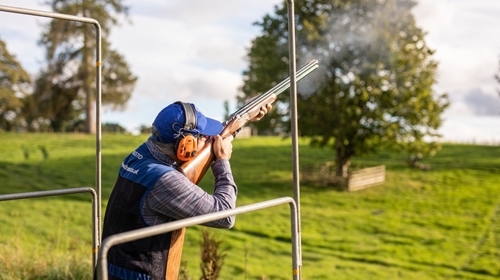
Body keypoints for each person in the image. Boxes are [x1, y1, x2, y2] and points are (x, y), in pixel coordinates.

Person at [100, 101, 270, 280]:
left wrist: (241, 122)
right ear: (185, 144)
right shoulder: (164, 180)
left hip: (109, 271)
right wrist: (222, 160)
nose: (206, 139)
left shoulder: (139, 156)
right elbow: (225, 215)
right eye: (202, 136)